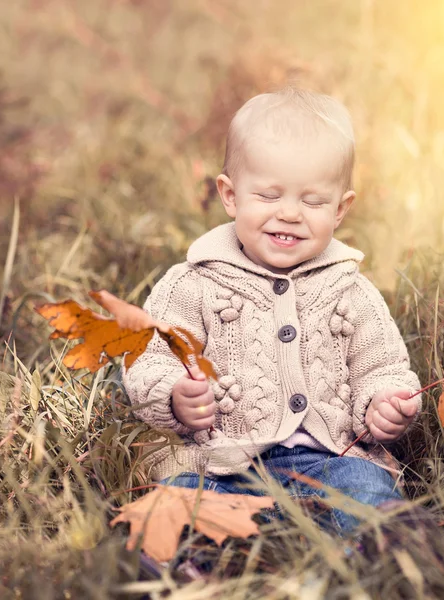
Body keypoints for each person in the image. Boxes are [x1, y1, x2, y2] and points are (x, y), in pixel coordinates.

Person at [123, 87, 422, 534]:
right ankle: (185, 564)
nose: (289, 213)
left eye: (313, 201)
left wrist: (385, 404)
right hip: (215, 460)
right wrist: (173, 397)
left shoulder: (350, 288)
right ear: (230, 195)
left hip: (329, 459)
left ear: (341, 209)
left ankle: (385, 550)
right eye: (268, 195)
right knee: (179, 502)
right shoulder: (195, 282)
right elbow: (148, 357)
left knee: (369, 491)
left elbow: (382, 365)